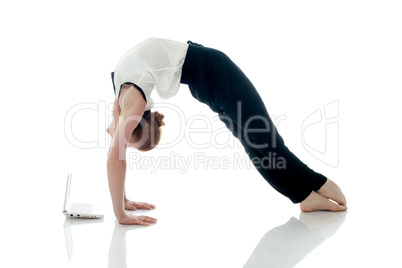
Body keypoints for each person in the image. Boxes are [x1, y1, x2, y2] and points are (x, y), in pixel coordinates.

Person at [106, 38, 347, 225]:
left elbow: (115, 160)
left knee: (266, 141)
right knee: (253, 144)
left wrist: (120, 213)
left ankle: (318, 184)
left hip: (215, 72)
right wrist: (124, 200)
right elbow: (115, 145)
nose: (120, 139)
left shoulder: (132, 102)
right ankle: (303, 196)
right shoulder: (121, 95)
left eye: (126, 139)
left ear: (134, 120)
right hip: (206, 86)